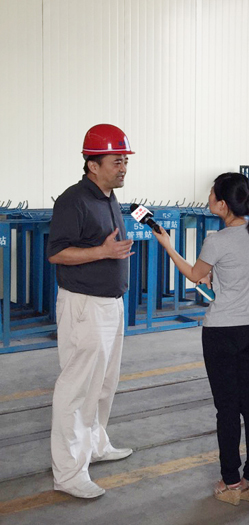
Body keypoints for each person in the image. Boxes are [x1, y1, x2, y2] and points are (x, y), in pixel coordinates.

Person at [152, 172, 249, 506]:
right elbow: (240, 272)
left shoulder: (217, 241)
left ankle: (231, 483)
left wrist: (168, 246)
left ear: (222, 204)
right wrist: (219, 277)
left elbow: (194, 274)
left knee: (227, 408)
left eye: (212, 194)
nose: (208, 199)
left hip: (222, 333)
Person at [47, 124, 136, 499]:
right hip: (84, 306)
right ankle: (69, 473)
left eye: (125, 161)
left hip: (111, 304)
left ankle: (95, 444)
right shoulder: (74, 201)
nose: (123, 168)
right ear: (93, 164)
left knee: (103, 384)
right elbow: (57, 253)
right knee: (77, 388)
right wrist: (102, 252)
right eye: (117, 161)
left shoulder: (108, 198)